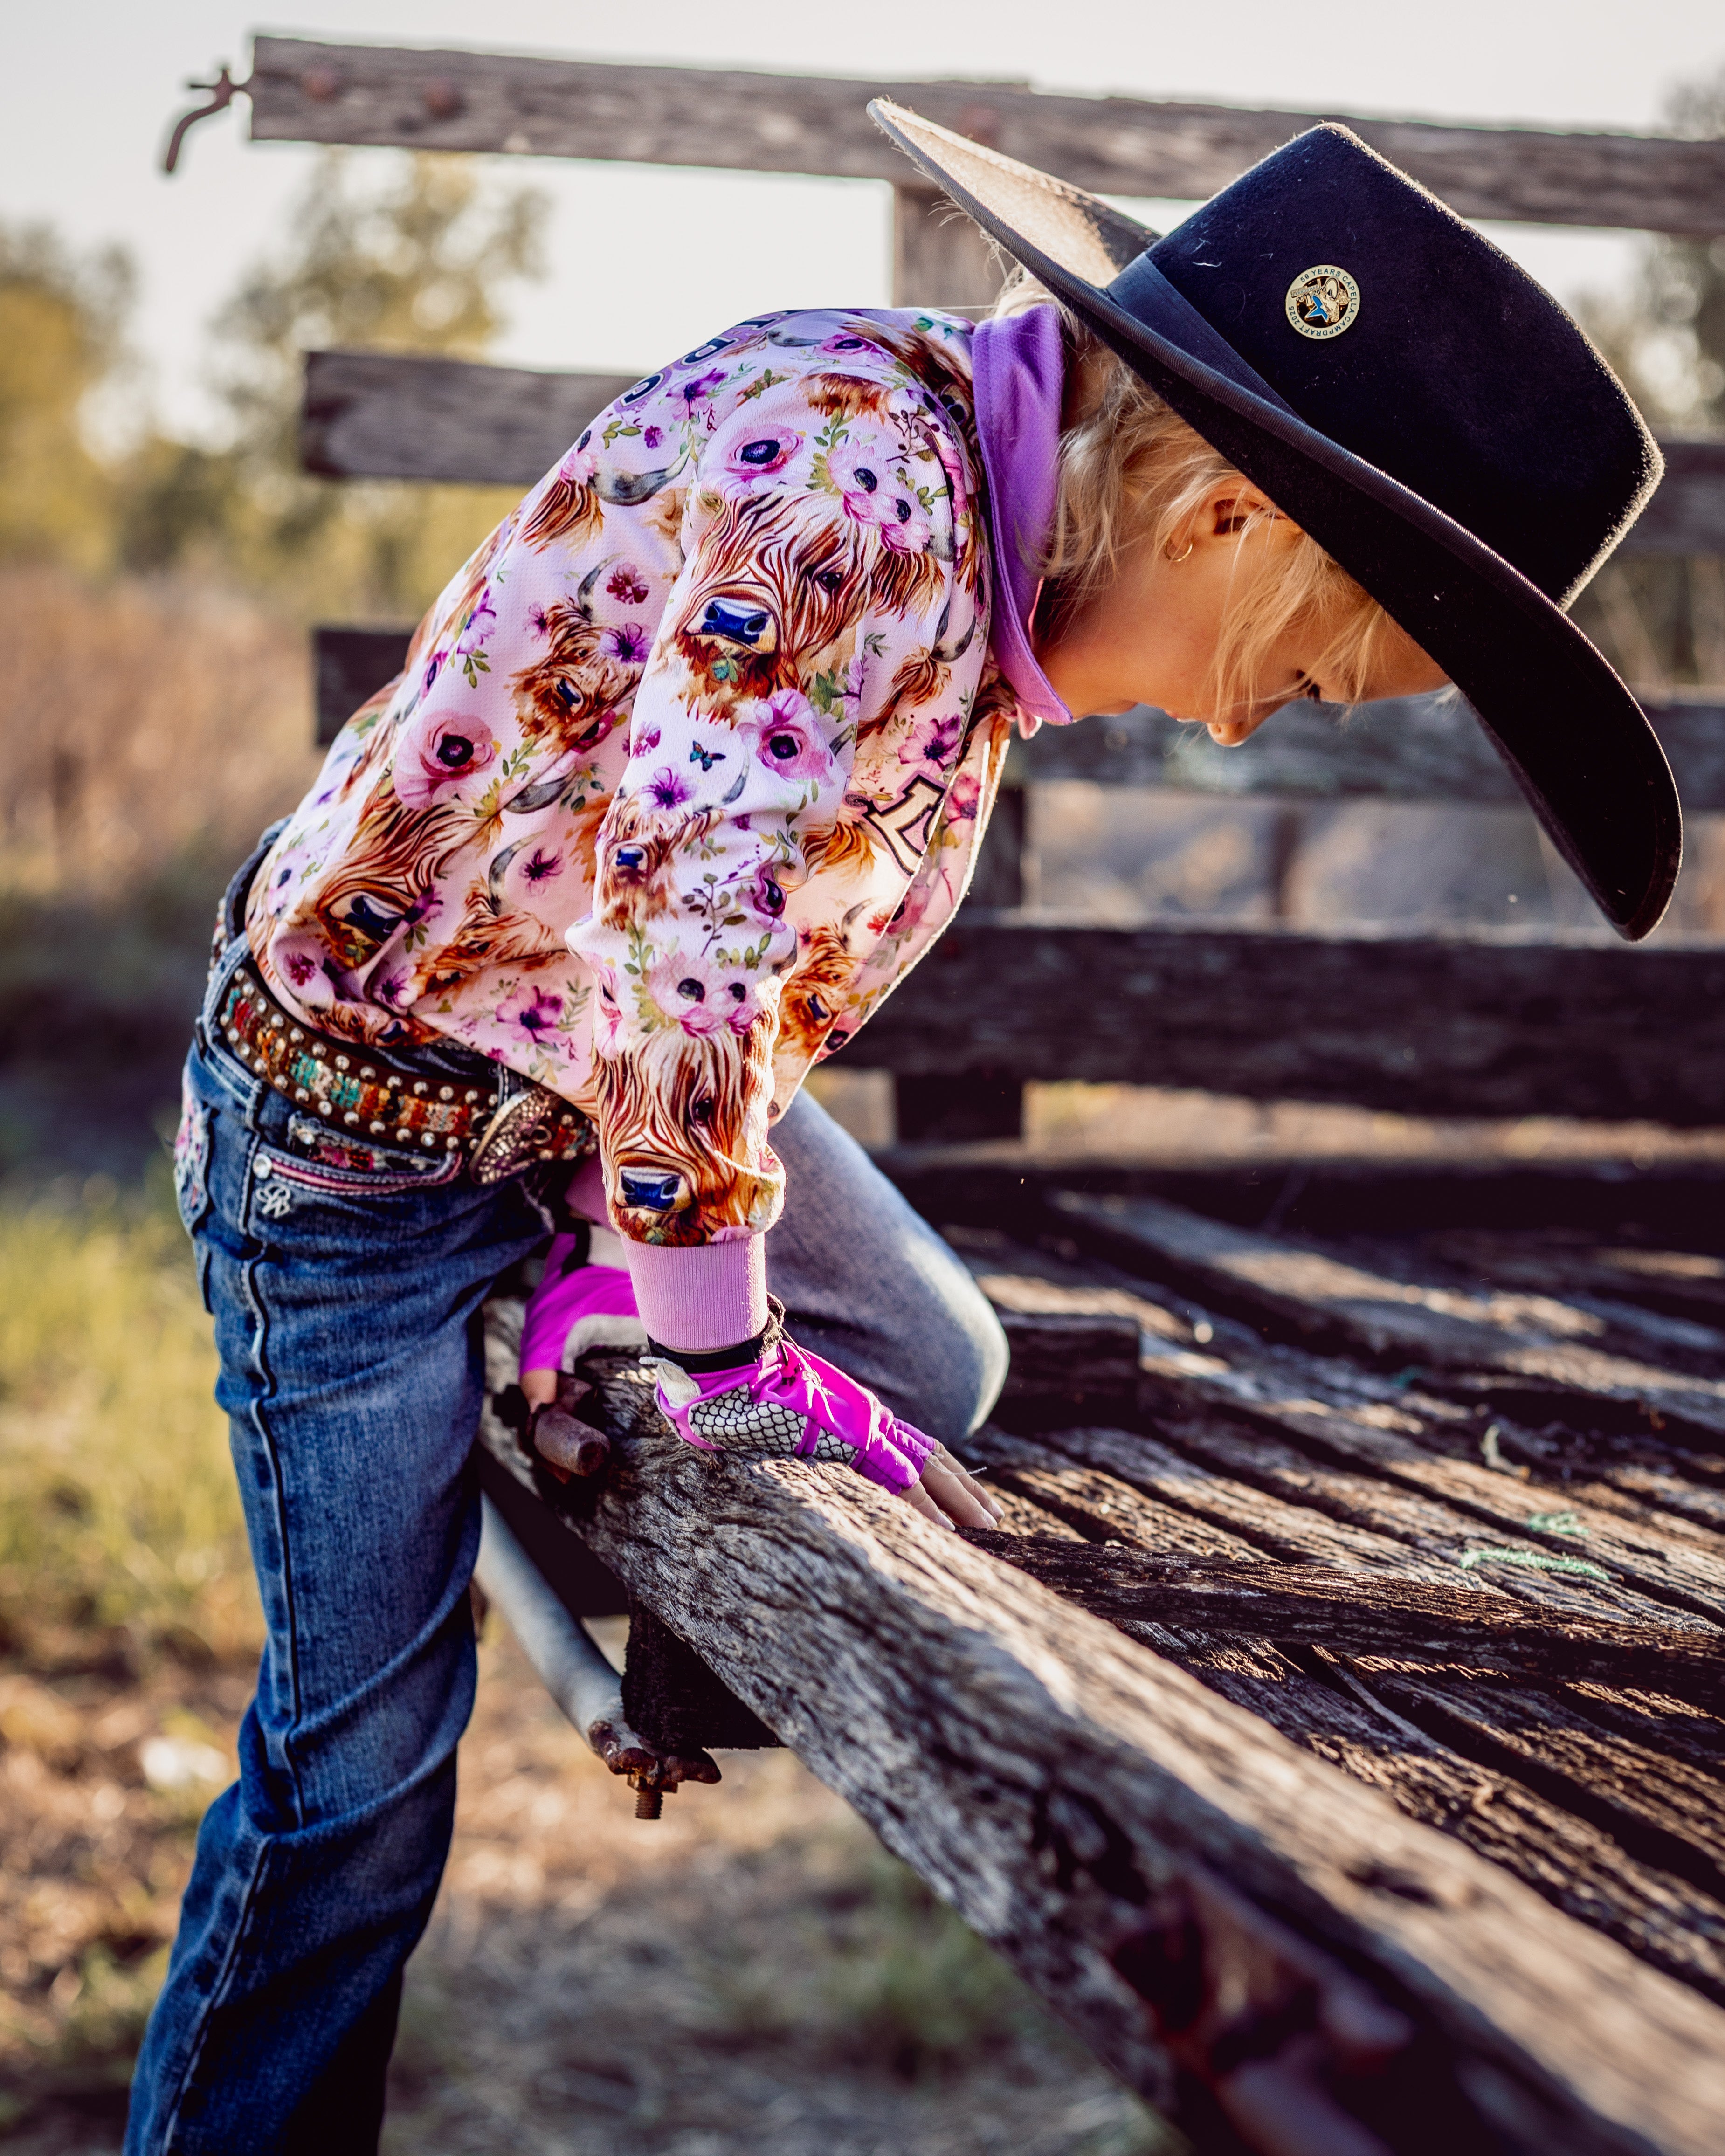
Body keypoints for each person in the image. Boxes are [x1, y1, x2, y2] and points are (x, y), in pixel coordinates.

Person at [129, 104, 1679, 2155]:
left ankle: (583, 1295)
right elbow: (684, 932)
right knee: (364, 1749)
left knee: (936, 1361)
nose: (1242, 721)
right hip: (362, 1132)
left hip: (583, 1102)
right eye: (1299, 679)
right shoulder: (859, 495)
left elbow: (728, 962)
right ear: (1218, 520)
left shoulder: (988, 540)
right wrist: (722, 1352)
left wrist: (680, 1264)